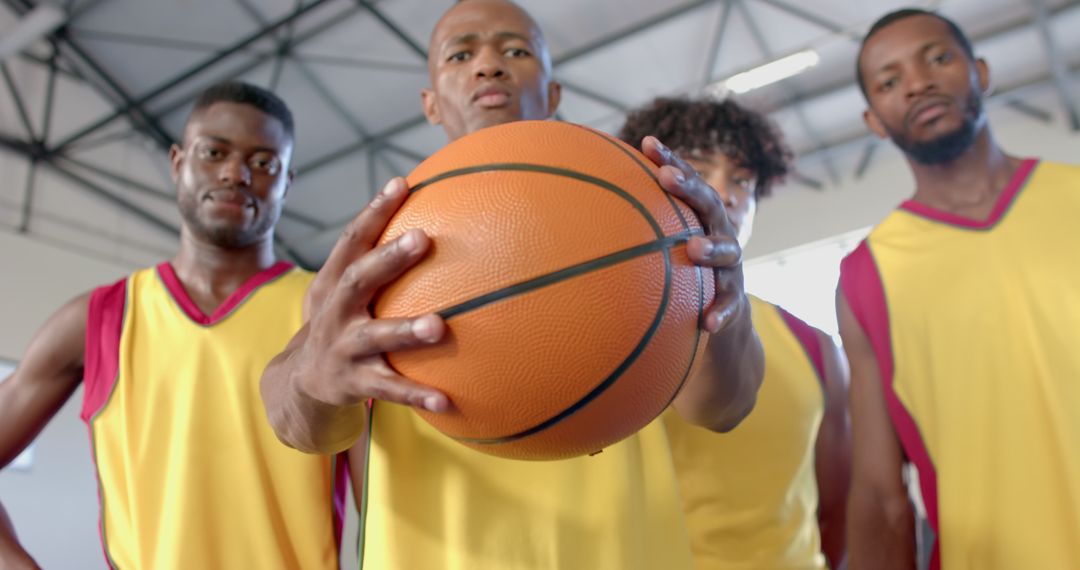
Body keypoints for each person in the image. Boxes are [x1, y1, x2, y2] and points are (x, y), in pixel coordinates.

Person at [259, 0, 765, 568]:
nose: (489, 66)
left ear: (552, 93)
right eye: (461, 53)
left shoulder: (652, 218)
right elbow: (295, 422)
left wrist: (728, 297)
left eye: (516, 50)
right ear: (430, 103)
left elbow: (724, 408)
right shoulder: (373, 250)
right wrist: (311, 381)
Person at [0, 82, 350, 569]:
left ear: (287, 183)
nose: (236, 173)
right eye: (214, 152)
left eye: (264, 162)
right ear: (177, 162)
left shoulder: (329, 310)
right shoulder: (99, 318)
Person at [841, 8, 1080, 570]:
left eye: (938, 59)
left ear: (981, 72)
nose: (919, 83)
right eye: (890, 81)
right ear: (875, 120)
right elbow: (880, 495)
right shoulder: (867, 276)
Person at [618, 97, 851, 570]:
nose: (726, 193)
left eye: (742, 180)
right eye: (699, 169)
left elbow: (835, 508)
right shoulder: (608, 327)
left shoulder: (816, 345)